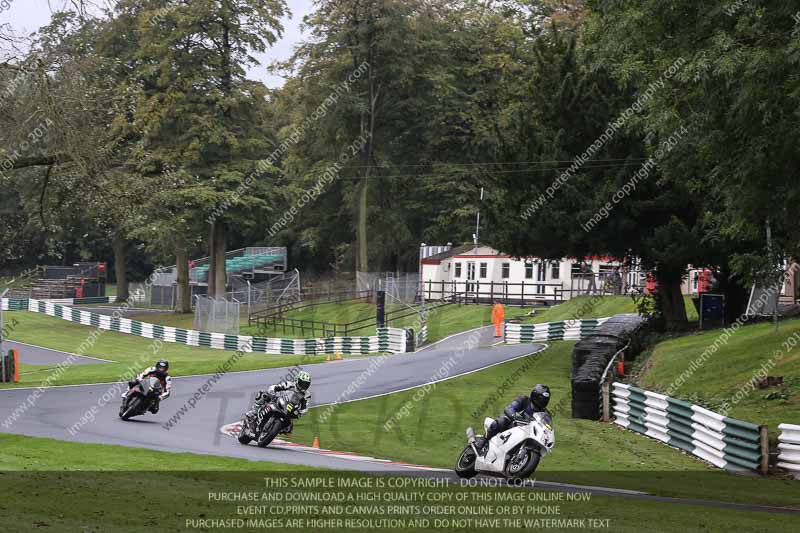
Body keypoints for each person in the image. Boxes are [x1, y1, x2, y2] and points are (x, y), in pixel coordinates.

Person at [475, 384, 551, 455]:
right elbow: (510, 408)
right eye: (541, 399)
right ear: (534, 396)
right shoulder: (524, 400)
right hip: (513, 425)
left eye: (545, 400)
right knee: (503, 420)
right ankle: (483, 440)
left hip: (528, 434)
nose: (543, 402)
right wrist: (515, 416)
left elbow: (547, 428)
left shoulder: (546, 414)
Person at [245, 371, 312, 434]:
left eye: (306, 384)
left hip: (289, 410)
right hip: (278, 400)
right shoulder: (290, 384)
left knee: (289, 428)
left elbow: (304, 408)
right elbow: (275, 387)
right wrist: (272, 393)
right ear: (297, 381)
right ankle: (253, 413)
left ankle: (273, 430)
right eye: (302, 383)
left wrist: (299, 412)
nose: (304, 386)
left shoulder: (307, 395)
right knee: (263, 394)